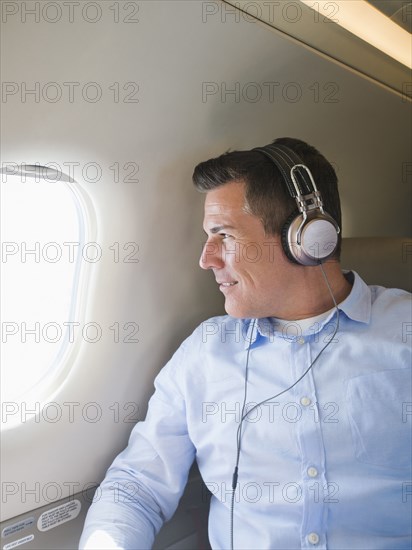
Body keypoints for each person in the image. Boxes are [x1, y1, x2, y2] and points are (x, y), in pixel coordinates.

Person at [79, 137, 411, 549]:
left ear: (308, 239)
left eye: (225, 235)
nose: (207, 258)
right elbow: (137, 485)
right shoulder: (205, 353)